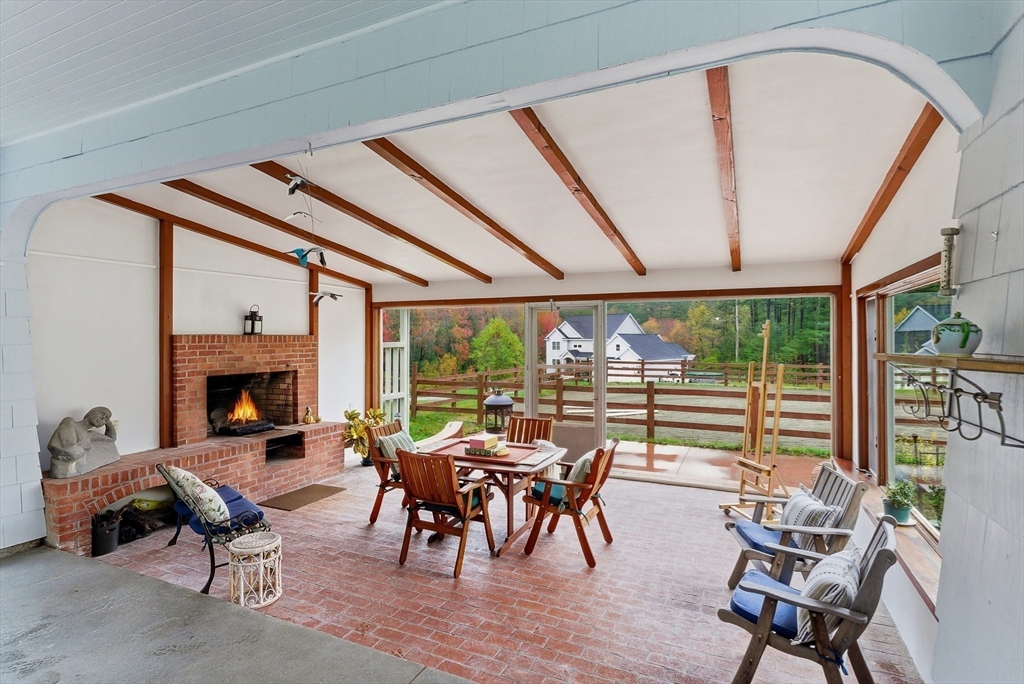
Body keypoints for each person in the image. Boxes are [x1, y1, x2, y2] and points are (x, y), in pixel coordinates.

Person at [47, 407, 120, 478]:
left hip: (74, 468)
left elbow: (111, 439)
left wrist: (108, 422)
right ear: (90, 412)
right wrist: (82, 449)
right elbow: (68, 448)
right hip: (62, 469)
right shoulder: (69, 422)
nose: (102, 418)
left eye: (105, 419)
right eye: (101, 413)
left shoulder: (90, 434)